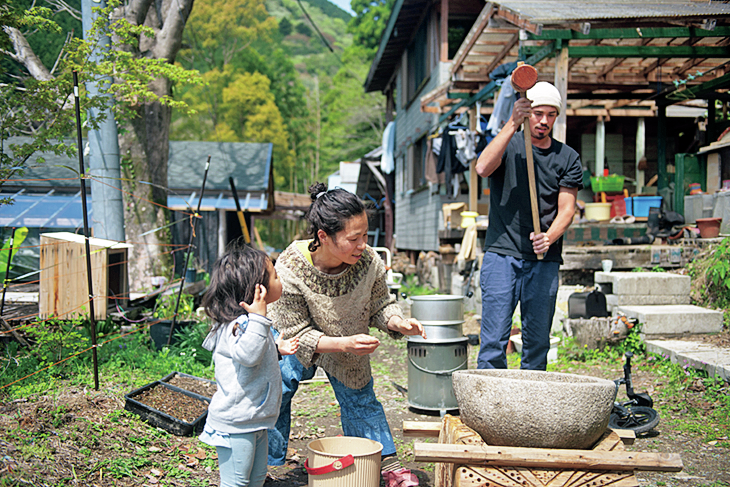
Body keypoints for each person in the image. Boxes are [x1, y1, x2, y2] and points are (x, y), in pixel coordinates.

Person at [267, 182, 426, 487]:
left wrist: (398, 322)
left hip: (347, 337)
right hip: (295, 340)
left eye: (365, 235)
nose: (362, 245)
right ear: (323, 236)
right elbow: (296, 332)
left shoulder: (369, 262)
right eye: (353, 238)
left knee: (361, 397)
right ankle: (265, 462)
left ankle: (386, 464)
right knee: (278, 389)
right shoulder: (289, 267)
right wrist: (343, 344)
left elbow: (380, 304)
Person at [475, 81, 583, 371]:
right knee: (494, 340)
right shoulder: (508, 146)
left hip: (543, 259)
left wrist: (549, 237)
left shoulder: (567, 157)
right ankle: (490, 405)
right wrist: (512, 123)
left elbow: (567, 210)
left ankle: (529, 409)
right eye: (537, 113)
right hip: (502, 254)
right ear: (526, 113)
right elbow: (482, 168)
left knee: (537, 342)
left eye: (550, 115)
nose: (543, 121)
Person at [199, 242, 300, 487]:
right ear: (258, 291)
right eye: (275, 275)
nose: (280, 280)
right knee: (237, 483)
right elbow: (248, 355)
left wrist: (276, 349)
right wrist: (258, 318)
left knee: (255, 479)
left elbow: (251, 356)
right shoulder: (240, 325)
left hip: (255, 419)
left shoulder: (251, 322)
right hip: (237, 423)